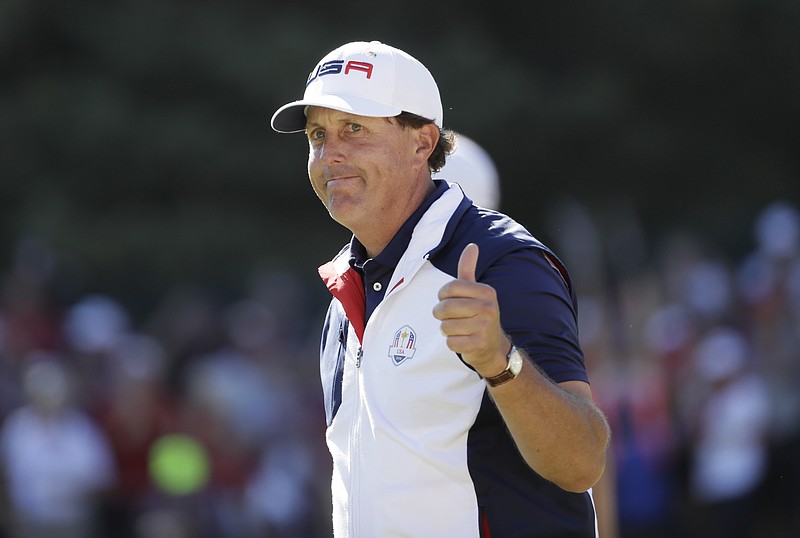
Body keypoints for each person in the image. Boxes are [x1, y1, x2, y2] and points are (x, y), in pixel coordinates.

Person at [270, 40, 611, 537]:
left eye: (354, 128)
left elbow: (583, 461)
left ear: (423, 142)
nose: (330, 153)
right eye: (317, 134)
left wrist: (502, 363)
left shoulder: (503, 261)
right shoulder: (344, 292)